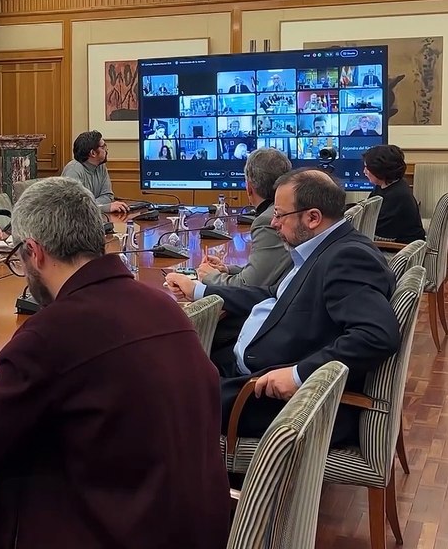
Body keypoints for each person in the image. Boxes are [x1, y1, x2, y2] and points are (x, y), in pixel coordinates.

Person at [0, 178, 230, 548]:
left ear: (34, 252)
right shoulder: (163, 305)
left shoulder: (49, 334)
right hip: (188, 529)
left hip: (112, 531)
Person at [163, 169, 399, 444]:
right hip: (254, 366)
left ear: (312, 218)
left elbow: (377, 335)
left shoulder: (348, 258)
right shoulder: (323, 247)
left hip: (274, 398)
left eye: (279, 214)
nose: (273, 223)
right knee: (168, 368)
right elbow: (274, 295)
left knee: (164, 403)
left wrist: (299, 375)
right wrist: (201, 289)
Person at [164, 148, 292, 360]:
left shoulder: (268, 220)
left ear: (249, 187)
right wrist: (228, 270)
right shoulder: (284, 212)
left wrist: (207, 280)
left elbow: (250, 287)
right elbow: (275, 268)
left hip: (262, 332)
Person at [363, 144, 426, 243]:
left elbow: (376, 230)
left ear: (379, 169)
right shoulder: (383, 186)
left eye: (367, 167)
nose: (364, 171)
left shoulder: (398, 195)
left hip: (401, 249)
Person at [59, 130, 128, 213]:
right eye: (103, 147)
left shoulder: (101, 166)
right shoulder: (73, 170)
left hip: (94, 217)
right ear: (93, 153)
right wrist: (104, 207)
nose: (106, 150)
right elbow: (73, 207)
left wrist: (91, 205)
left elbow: (108, 196)